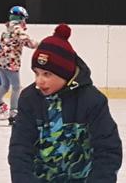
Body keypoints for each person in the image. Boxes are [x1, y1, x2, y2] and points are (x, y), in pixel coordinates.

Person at [8, 24, 123, 182]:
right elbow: (20, 150)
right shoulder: (30, 99)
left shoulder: (92, 101)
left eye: (47, 74)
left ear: (65, 73)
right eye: (36, 73)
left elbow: (107, 151)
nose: (39, 81)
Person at [0, 5, 38, 124]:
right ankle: (14, 114)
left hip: (1, 62)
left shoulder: (7, 29)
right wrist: (41, 44)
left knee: (5, 86)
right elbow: (27, 41)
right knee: (16, 87)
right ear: (20, 18)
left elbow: (16, 42)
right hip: (11, 62)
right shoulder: (17, 29)